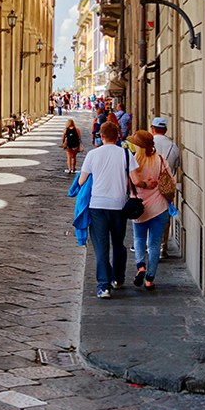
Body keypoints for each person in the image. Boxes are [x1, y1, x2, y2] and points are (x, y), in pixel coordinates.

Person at [76, 119, 130, 298]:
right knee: (118, 244)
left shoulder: (93, 154)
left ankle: (104, 286)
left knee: (101, 247)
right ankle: (119, 279)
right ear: (118, 136)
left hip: (97, 205)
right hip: (119, 205)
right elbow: (135, 180)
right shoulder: (126, 154)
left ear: (102, 136)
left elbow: (81, 181)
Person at [126, 130, 171, 289]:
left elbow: (128, 183)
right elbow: (170, 181)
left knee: (139, 239)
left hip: (139, 208)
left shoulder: (134, 162)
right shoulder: (160, 160)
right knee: (154, 244)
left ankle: (141, 266)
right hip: (159, 207)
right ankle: (150, 279)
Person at [151, 116, 181, 256]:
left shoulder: (147, 145)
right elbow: (176, 166)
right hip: (166, 185)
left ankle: (150, 244)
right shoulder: (173, 146)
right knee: (164, 215)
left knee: (148, 214)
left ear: (153, 129)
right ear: (166, 130)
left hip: (150, 183)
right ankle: (163, 246)